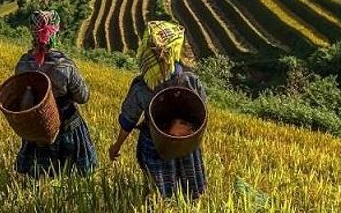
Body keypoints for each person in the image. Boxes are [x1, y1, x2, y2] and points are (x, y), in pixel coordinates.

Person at [108, 21, 207, 200]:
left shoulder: (142, 87)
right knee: (188, 191)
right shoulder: (191, 81)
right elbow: (201, 114)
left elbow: (128, 121)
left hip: (155, 144)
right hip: (185, 143)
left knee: (158, 193)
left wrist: (116, 146)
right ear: (175, 51)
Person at [12, 10, 97, 177]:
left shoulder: (22, 65)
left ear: (32, 32)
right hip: (66, 127)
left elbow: (19, 96)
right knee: (72, 176)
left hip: (38, 127)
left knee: (38, 178)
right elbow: (83, 97)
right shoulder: (65, 67)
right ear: (55, 32)